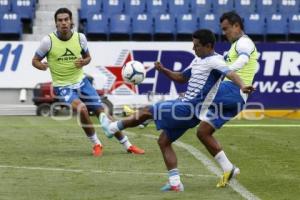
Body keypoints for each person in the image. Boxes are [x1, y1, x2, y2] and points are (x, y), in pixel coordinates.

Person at [102, 29, 254, 191]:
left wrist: (243, 86)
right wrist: (163, 70)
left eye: (196, 45)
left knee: (148, 110)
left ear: (208, 46)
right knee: (164, 141)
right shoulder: (197, 60)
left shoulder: (215, 61)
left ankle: (113, 128)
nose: (193, 48)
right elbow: (181, 78)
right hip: (190, 111)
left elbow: (231, 73)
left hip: (188, 108)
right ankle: (175, 183)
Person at [32, 8, 144, 157]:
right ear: (56, 23)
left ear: (71, 21)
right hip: (63, 87)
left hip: (82, 82)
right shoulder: (48, 41)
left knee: (102, 112)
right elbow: (35, 61)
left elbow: (88, 58)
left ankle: (128, 145)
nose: (63, 23)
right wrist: (42, 66)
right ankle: (96, 144)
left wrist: (83, 62)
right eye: (60, 20)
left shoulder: (80, 38)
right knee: (82, 109)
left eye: (66, 19)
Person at [195, 11, 259, 188]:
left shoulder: (244, 42)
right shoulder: (236, 46)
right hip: (237, 99)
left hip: (232, 91)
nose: (224, 33)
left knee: (191, 98)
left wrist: (226, 70)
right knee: (203, 132)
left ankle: (148, 117)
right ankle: (228, 168)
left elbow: (244, 61)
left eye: (226, 29)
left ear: (236, 26)